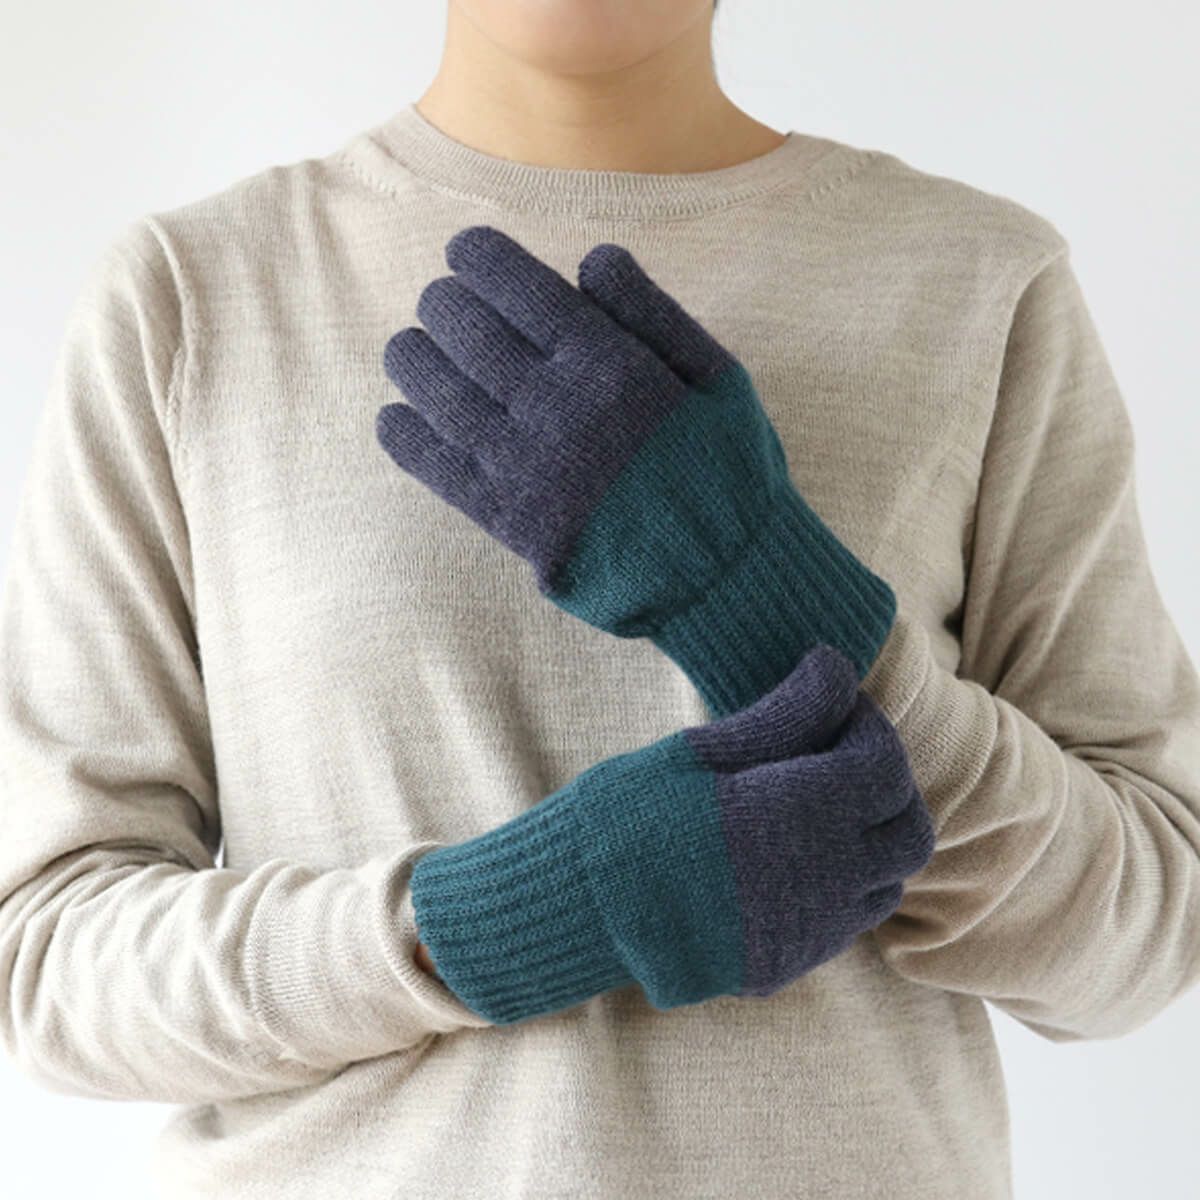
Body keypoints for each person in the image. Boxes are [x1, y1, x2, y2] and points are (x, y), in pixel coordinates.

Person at [1, 1, 1197, 1197]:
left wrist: (756, 586)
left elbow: (1145, 935)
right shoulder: (192, 297)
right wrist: (518, 918)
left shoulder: (979, 281)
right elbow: (47, 960)